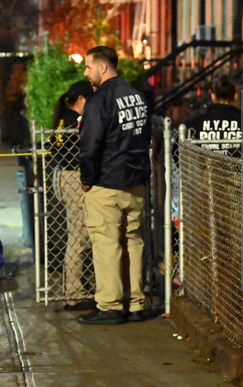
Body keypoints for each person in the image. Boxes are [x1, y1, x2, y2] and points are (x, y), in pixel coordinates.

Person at [77, 46, 151, 324]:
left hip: (106, 182)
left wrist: (87, 179)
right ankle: (135, 303)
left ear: (103, 67)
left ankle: (109, 306)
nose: (86, 73)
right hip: (135, 181)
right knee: (133, 241)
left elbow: (90, 145)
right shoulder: (137, 96)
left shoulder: (100, 101)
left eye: (88, 67)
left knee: (106, 244)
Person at [52, 80, 95, 311]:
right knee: (80, 234)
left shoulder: (63, 118)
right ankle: (73, 292)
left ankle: (76, 283)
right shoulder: (75, 120)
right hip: (73, 177)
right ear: (81, 100)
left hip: (65, 176)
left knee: (79, 232)